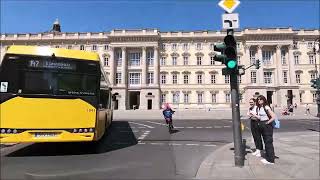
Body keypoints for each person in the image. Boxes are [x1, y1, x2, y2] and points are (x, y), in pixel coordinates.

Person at [256, 95, 276, 165]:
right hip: (262, 125)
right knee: (266, 142)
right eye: (258, 99)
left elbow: (273, 116)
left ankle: (271, 160)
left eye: (260, 99)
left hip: (266, 126)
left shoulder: (266, 107)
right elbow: (261, 117)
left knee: (268, 142)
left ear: (264, 100)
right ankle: (268, 158)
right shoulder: (260, 107)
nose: (259, 100)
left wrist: (267, 122)